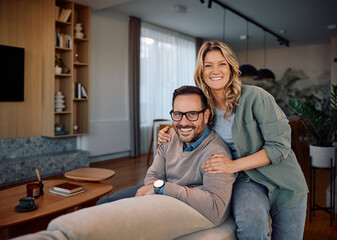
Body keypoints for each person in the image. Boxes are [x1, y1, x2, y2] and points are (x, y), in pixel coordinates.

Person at [158, 41, 308, 240]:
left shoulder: (257, 98)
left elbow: (279, 147)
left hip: (284, 181)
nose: (215, 70)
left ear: (231, 68)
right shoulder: (204, 105)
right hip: (245, 181)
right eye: (208, 65)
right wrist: (170, 132)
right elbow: (190, 123)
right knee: (251, 228)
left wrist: (232, 165)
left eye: (222, 64)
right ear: (201, 71)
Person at [97, 85, 235, 226]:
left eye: (192, 114)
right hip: (162, 194)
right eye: (177, 114)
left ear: (205, 116)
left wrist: (163, 188)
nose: (183, 122)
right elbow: (152, 175)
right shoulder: (168, 137)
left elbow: (216, 210)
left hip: (182, 205)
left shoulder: (216, 153)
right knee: (104, 203)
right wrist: (158, 189)